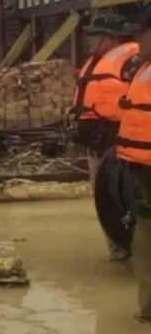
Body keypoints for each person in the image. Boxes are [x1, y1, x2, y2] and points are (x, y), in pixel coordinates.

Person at [72, 15, 142, 261]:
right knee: (104, 200)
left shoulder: (132, 61)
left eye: (95, 34)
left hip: (122, 145)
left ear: (112, 38)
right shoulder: (95, 63)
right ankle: (118, 250)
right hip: (96, 143)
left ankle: (136, 251)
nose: (89, 39)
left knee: (128, 199)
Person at [117, 4, 151, 323]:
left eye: (142, 34)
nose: (137, 42)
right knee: (144, 244)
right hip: (142, 173)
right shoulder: (143, 69)